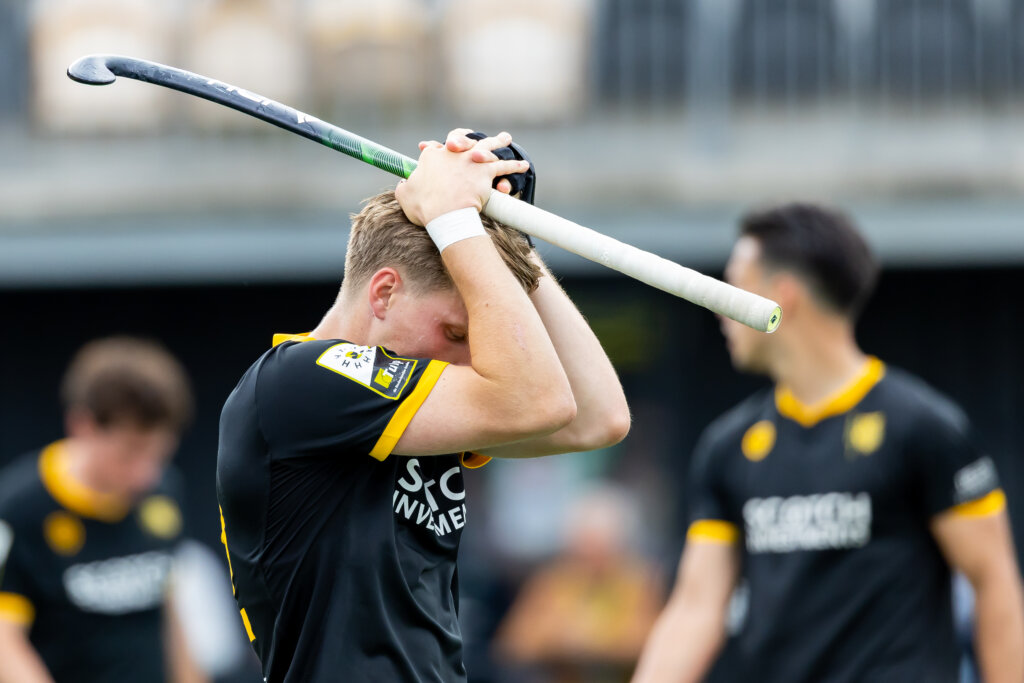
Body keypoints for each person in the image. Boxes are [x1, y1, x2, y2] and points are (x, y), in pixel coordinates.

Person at [216, 130, 630, 683]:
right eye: (456, 332)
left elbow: (598, 417)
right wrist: (454, 222)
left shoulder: (408, 410)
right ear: (384, 292)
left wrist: (505, 234)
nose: (469, 360)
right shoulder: (299, 379)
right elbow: (540, 400)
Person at [632, 204, 1024, 683]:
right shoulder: (728, 446)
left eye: (733, 284)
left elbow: (994, 581)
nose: (719, 307)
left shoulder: (924, 428)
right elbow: (696, 608)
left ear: (783, 295)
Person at [0, 337, 205, 683]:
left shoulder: (164, 492)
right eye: (130, 453)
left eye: (159, 454)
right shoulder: (19, 509)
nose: (145, 473)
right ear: (83, 425)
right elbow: (5, 641)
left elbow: (169, 612)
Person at [494, 485, 662, 683]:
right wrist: (559, 638)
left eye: (601, 545)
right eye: (585, 543)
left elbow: (654, 642)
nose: (592, 554)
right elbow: (512, 644)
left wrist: (595, 639)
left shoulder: (639, 583)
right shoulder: (552, 581)